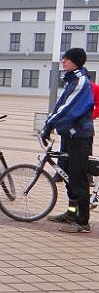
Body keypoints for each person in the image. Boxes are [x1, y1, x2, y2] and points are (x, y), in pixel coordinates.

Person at [43, 48, 95, 233]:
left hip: (79, 136)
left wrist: (48, 123)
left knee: (78, 178)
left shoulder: (81, 81)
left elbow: (68, 108)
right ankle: (71, 214)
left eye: (66, 59)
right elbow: (60, 105)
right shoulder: (71, 80)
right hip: (69, 135)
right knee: (68, 177)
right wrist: (50, 125)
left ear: (75, 62)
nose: (63, 61)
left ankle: (82, 222)